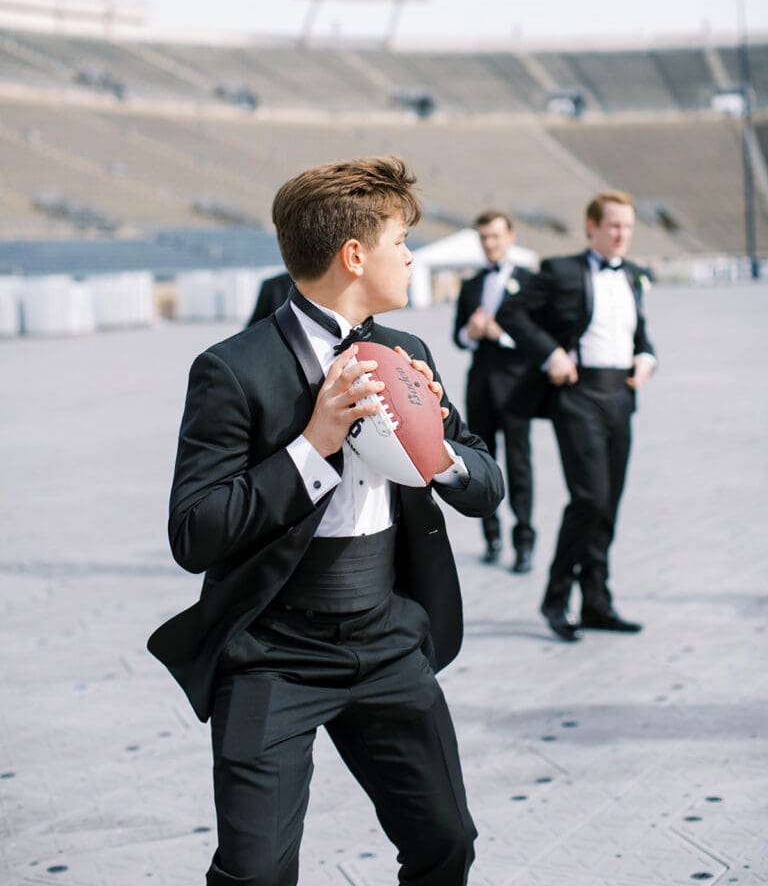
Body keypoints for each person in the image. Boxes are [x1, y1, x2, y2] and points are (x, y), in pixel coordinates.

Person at [148, 156, 504, 886]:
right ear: (354, 256)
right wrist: (313, 444)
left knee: (447, 844)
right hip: (274, 650)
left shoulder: (410, 353)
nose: (409, 258)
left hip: (387, 635)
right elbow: (195, 532)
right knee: (255, 874)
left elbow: (485, 479)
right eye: (401, 242)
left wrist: (436, 452)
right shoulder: (232, 369)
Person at [497, 190, 656, 643]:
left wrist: (647, 357)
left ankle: (596, 602)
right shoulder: (560, 271)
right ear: (592, 227)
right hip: (578, 396)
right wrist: (551, 356)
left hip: (620, 398)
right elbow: (513, 313)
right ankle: (555, 598)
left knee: (609, 504)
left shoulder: (635, 276)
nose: (622, 234)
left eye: (627, 226)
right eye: (613, 226)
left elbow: (641, 336)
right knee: (589, 498)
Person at [453, 211, 536, 571]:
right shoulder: (470, 285)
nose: (489, 243)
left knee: (519, 466)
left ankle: (524, 541)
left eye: (495, 236)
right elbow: (457, 335)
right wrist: (470, 334)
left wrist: (499, 334)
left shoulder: (531, 282)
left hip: (517, 388)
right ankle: (492, 536)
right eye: (484, 237)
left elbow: (539, 338)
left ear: (511, 236)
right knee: (482, 464)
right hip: (480, 388)